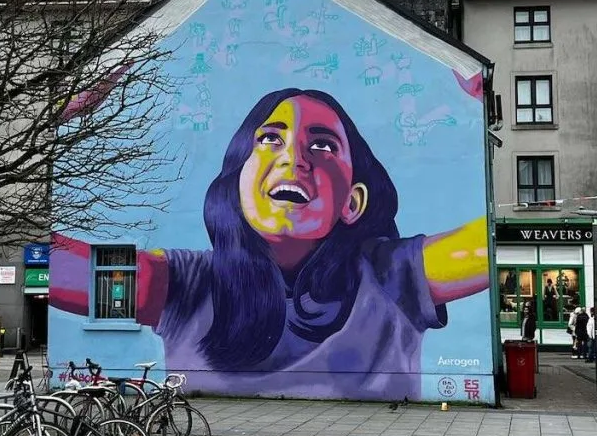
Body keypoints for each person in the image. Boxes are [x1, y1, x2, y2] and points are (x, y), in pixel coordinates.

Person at [134, 88, 490, 399]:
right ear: (239, 182)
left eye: (322, 145)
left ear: (352, 202)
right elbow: (101, 275)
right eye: (270, 139)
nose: (294, 158)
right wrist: (92, 93)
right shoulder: (184, 281)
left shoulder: (393, 276)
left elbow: (490, 246)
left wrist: (482, 100)